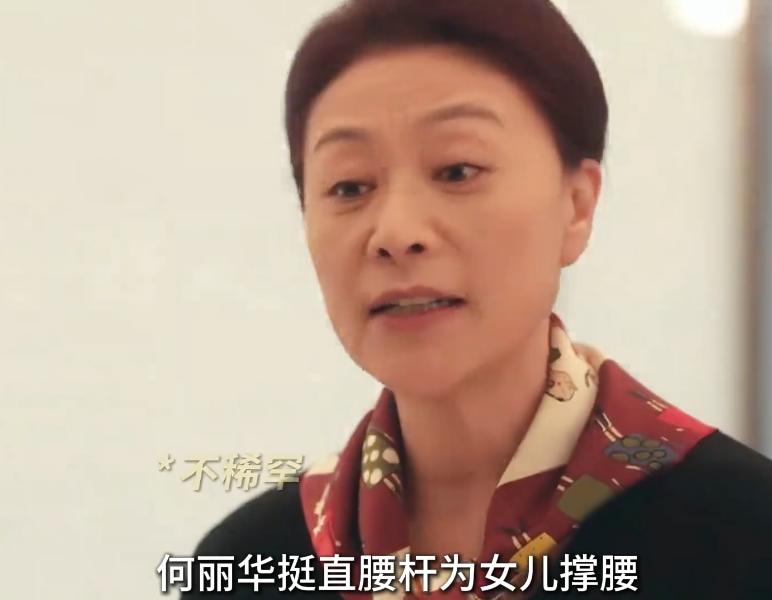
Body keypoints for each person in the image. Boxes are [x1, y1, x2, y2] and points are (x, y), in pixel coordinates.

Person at [181, 0, 772, 598]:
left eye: (457, 171)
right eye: (350, 186)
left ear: (576, 206)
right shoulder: (249, 562)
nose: (396, 232)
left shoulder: (742, 533)